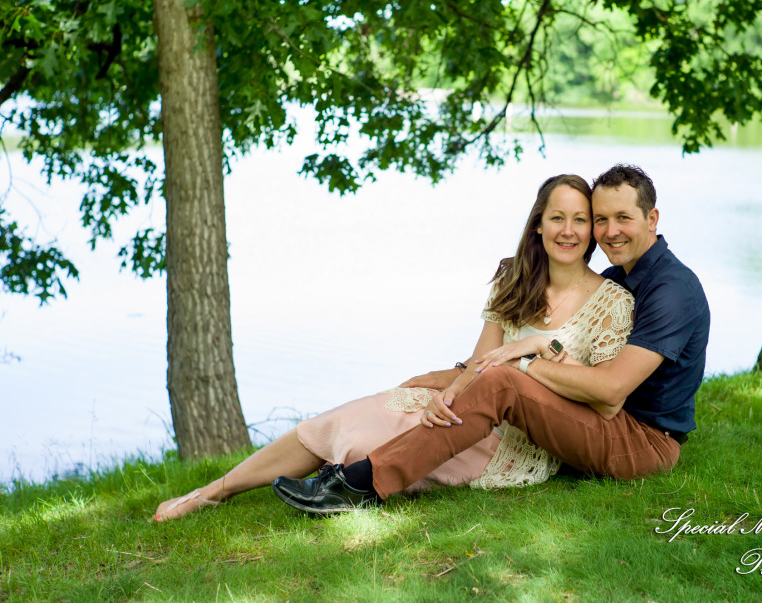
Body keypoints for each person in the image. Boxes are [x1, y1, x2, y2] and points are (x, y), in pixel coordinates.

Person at [153, 174, 634, 521]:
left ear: (592, 230)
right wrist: (443, 395)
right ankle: (215, 491)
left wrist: (536, 353)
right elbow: (477, 361)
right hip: (467, 404)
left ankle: (339, 482)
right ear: (538, 225)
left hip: (517, 440)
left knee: (364, 444)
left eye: (579, 220)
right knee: (351, 416)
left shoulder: (611, 301)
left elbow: (600, 401)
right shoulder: (513, 279)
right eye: (556, 218)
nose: (568, 230)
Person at [272, 163, 711, 514]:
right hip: (602, 422)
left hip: (644, 443)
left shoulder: (672, 289)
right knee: (489, 380)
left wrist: (526, 359)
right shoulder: (621, 276)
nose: (609, 231)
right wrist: (446, 377)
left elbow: (612, 390)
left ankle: (364, 484)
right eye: (601, 219)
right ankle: (347, 468)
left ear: (652, 218)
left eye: (623, 218)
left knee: (504, 380)